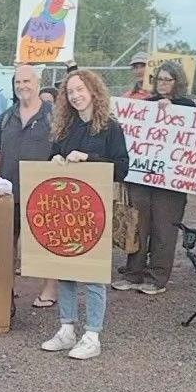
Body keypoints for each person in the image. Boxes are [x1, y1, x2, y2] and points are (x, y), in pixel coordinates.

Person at [40, 70, 130, 360]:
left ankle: (92, 334)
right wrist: (54, 159)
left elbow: (122, 168)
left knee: (92, 274)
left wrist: (89, 158)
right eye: (70, 92)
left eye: (81, 90)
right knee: (65, 269)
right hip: (66, 209)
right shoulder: (65, 128)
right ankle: (67, 329)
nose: (76, 95)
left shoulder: (110, 128)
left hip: (96, 209)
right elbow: (52, 158)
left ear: (93, 91)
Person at [113, 60, 195, 295]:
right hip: (141, 177)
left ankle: (157, 277)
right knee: (137, 226)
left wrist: (172, 110)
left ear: (177, 82)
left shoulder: (188, 107)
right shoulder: (145, 105)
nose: (163, 84)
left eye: (168, 80)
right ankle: (132, 273)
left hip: (170, 183)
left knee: (164, 229)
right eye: (159, 79)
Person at [0, 64, 58, 308]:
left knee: (44, 242)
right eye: (18, 82)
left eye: (27, 81)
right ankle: (8, 289)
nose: (22, 86)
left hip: (44, 193)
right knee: (7, 243)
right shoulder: (5, 117)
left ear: (37, 83)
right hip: (9, 191)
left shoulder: (55, 115)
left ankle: (49, 290)